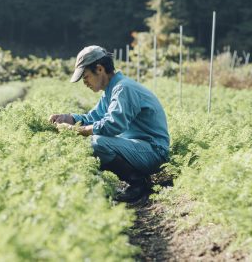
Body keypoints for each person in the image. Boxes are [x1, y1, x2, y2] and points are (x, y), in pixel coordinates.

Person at [49, 45, 170, 203]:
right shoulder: (111, 90)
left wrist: (76, 130)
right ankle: (136, 179)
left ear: (99, 69)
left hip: (153, 151)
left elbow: (112, 126)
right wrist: (67, 118)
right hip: (139, 147)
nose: (84, 82)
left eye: (85, 76)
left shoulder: (123, 89)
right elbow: (93, 117)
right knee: (93, 138)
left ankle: (138, 184)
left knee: (96, 143)